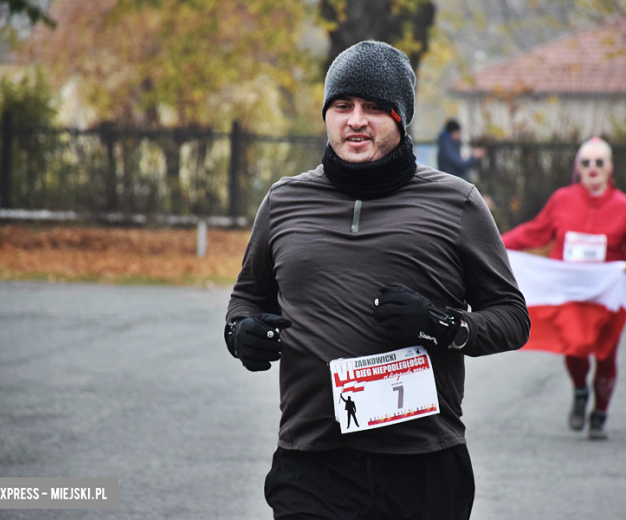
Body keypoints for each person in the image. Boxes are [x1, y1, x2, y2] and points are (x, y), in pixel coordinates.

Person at [224, 40, 530, 520]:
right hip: (312, 460)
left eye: (373, 108)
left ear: (400, 117)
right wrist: (240, 335)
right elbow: (247, 297)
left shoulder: (457, 203)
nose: (356, 120)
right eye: (342, 106)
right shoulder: (284, 202)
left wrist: (441, 325)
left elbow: (513, 319)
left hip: (423, 464)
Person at [501, 137, 626, 440]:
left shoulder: (625, 207)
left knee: (605, 354)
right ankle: (579, 391)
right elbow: (535, 232)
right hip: (568, 293)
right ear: (578, 168)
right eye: (586, 162)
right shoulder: (562, 199)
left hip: (605, 296)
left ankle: (599, 414)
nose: (593, 168)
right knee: (574, 346)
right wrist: (494, 244)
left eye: (599, 162)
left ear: (610, 167)